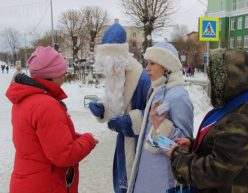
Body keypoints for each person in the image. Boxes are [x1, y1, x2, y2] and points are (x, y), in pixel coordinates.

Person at [167, 49, 248, 193]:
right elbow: (228, 149)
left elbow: (213, 173)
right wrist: (194, 145)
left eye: (215, 79)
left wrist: (178, 157)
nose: (212, 83)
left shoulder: (241, 119)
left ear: (231, 80)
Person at [5, 46, 97, 193]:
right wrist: (88, 140)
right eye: (62, 72)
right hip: (45, 185)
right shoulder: (46, 106)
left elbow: (41, 140)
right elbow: (64, 155)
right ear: (52, 75)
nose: (65, 75)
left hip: (27, 181)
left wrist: (74, 137)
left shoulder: (26, 98)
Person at [88, 22, 151, 193]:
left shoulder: (143, 79)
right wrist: (103, 107)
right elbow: (116, 100)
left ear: (122, 58)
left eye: (112, 63)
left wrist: (132, 121)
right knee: (123, 183)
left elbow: (156, 114)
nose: (109, 69)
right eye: (106, 64)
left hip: (141, 146)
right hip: (124, 142)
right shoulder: (116, 74)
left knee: (138, 185)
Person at [127, 42, 194, 193]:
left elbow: (184, 147)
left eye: (152, 63)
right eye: (147, 63)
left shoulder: (178, 96)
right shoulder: (158, 91)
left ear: (166, 66)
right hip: (149, 176)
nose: (147, 68)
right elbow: (154, 140)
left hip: (165, 180)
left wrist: (161, 126)